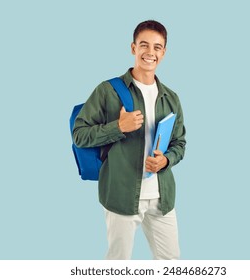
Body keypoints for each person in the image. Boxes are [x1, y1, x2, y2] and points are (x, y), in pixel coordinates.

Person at [73, 20, 186, 260]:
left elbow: (180, 143)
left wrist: (165, 160)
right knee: (118, 265)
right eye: (144, 45)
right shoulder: (108, 91)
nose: (150, 52)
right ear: (133, 48)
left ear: (163, 53)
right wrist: (118, 127)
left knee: (172, 264)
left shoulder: (171, 97)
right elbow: (79, 135)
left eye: (157, 47)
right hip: (122, 194)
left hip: (162, 196)